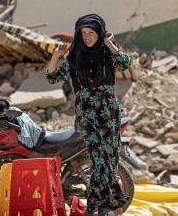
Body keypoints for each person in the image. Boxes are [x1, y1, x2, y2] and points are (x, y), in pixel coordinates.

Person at [45, 14, 131, 215]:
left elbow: (124, 63)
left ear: (99, 34)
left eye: (91, 33)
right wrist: (56, 56)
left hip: (109, 113)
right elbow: (51, 77)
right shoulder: (75, 58)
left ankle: (114, 207)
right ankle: (96, 208)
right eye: (83, 33)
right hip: (87, 116)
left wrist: (109, 44)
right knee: (98, 160)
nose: (87, 37)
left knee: (110, 160)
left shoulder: (107, 55)